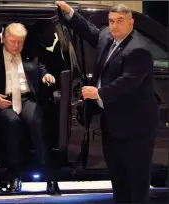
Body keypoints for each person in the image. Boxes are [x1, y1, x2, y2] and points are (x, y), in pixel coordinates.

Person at [56, 1, 159, 203]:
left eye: (119, 21)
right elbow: (89, 31)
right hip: (112, 123)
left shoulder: (139, 50)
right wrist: (69, 13)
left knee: (136, 180)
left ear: (131, 22)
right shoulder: (107, 37)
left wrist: (98, 92)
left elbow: (128, 82)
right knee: (118, 177)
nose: (114, 26)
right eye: (111, 21)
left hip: (136, 127)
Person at [0, 23, 61, 195]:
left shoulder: (30, 52)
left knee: (37, 120)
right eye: (12, 41)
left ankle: (48, 174)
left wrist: (46, 75)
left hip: (26, 98)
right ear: (3, 39)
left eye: (20, 42)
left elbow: (42, 68)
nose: (16, 46)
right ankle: (14, 173)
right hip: (3, 99)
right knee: (12, 123)